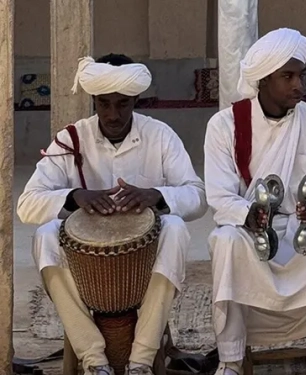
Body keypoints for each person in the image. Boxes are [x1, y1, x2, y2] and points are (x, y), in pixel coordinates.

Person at [17, 54, 207, 375]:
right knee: (45, 234)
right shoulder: (71, 139)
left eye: (123, 104)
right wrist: (75, 196)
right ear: (93, 101)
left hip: (142, 266)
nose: (113, 114)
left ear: (135, 100)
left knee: (174, 227)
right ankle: (94, 360)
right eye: (104, 104)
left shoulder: (159, 135)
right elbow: (27, 205)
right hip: (85, 269)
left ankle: (141, 361)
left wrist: (156, 196)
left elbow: (198, 196)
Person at [204, 28, 306, 375]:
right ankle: (230, 360)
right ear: (263, 80)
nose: (299, 85)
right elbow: (219, 197)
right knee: (224, 239)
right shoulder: (225, 125)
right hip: (251, 233)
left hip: (302, 230)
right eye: (287, 76)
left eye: (300, 75)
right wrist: (249, 216)